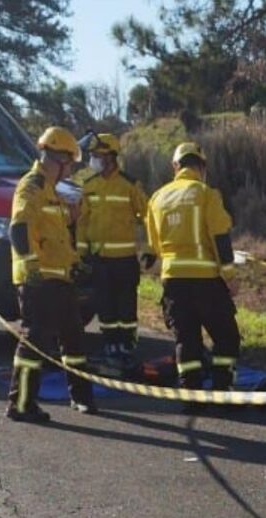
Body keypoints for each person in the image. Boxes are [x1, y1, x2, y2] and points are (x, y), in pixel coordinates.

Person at [6, 126, 97, 423]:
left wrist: (75, 262)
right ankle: (21, 404)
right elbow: (18, 228)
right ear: (57, 158)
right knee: (35, 340)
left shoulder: (54, 192)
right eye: (69, 164)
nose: (70, 170)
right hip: (38, 279)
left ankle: (81, 397)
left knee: (74, 339)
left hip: (60, 278)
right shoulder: (31, 186)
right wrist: (31, 265)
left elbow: (57, 238)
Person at [145, 141, 240, 391]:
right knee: (226, 337)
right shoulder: (206, 194)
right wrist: (229, 276)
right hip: (206, 280)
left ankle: (190, 392)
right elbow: (220, 236)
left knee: (186, 340)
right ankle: (222, 390)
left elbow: (154, 244)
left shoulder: (157, 198)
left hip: (173, 282)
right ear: (202, 166)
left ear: (176, 166)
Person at [75, 132, 149, 367]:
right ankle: (110, 343)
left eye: (98, 155)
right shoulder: (89, 186)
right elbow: (82, 222)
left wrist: (149, 247)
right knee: (105, 305)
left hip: (125, 259)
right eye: (93, 156)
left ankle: (127, 344)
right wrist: (81, 253)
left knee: (126, 305)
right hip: (100, 260)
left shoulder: (129, 185)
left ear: (111, 157)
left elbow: (148, 216)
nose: (94, 160)